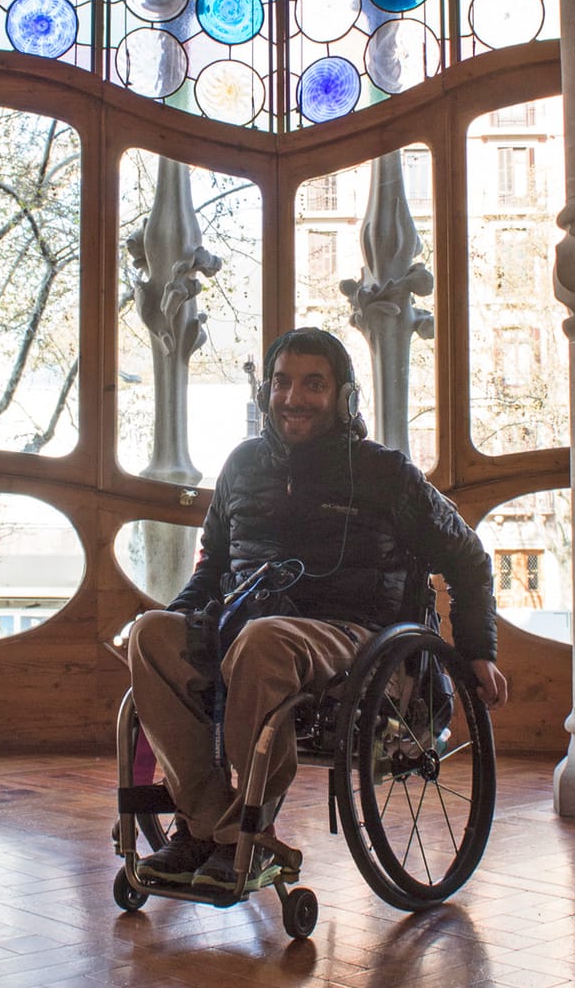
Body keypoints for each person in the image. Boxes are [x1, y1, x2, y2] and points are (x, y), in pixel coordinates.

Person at [125, 326, 509, 891]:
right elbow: (211, 571)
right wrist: (178, 624)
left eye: (313, 384)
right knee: (149, 633)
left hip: (354, 635)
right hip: (251, 624)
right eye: (281, 383)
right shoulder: (241, 467)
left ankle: (246, 840)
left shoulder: (384, 473)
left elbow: (468, 557)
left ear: (344, 397)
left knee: (264, 640)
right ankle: (207, 829)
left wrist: (477, 652)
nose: (293, 398)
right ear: (266, 393)